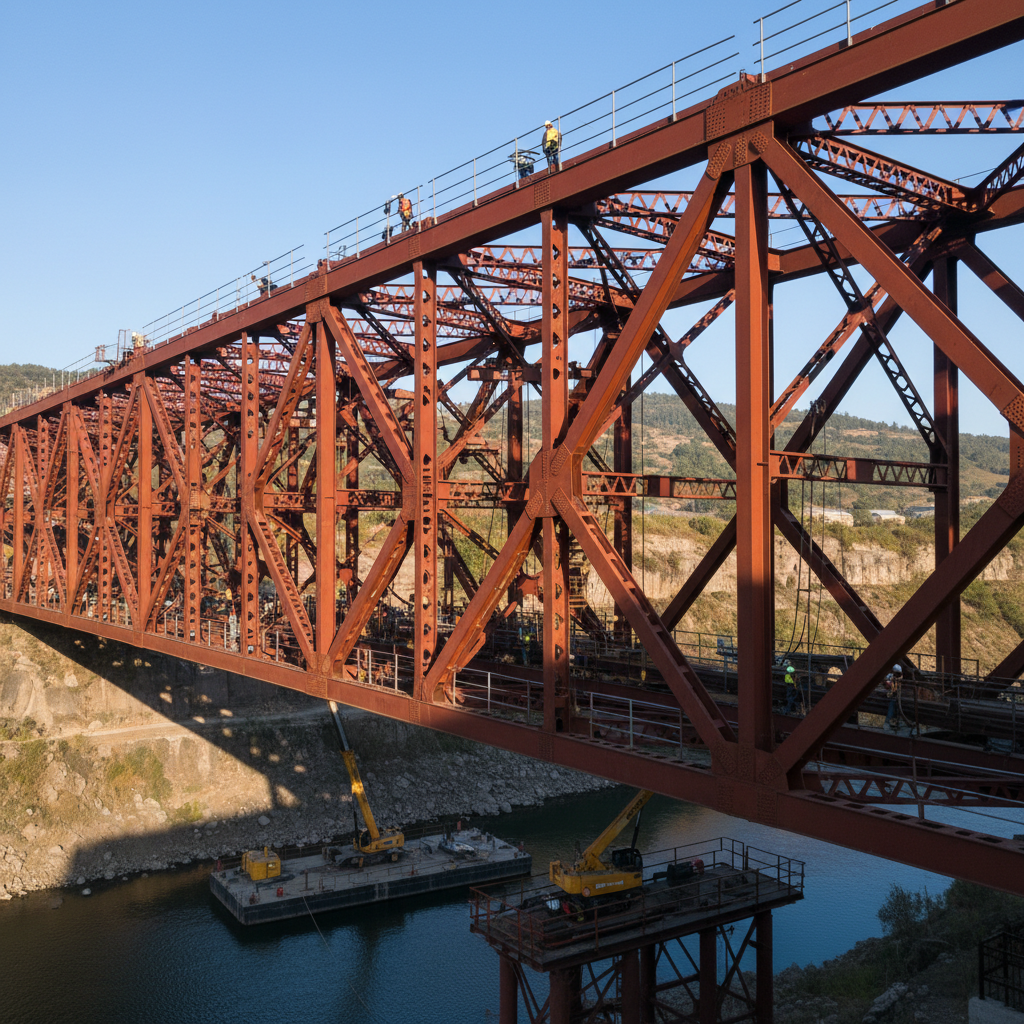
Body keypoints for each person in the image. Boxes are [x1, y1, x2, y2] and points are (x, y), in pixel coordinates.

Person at [885, 664, 903, 729]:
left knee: (896, 708)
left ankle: (894, 721)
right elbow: (887, 685)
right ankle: (889, 720)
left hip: (897, 697)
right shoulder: (890, 677)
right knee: (892, 705)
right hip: (892, 696)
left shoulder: (900, 678)